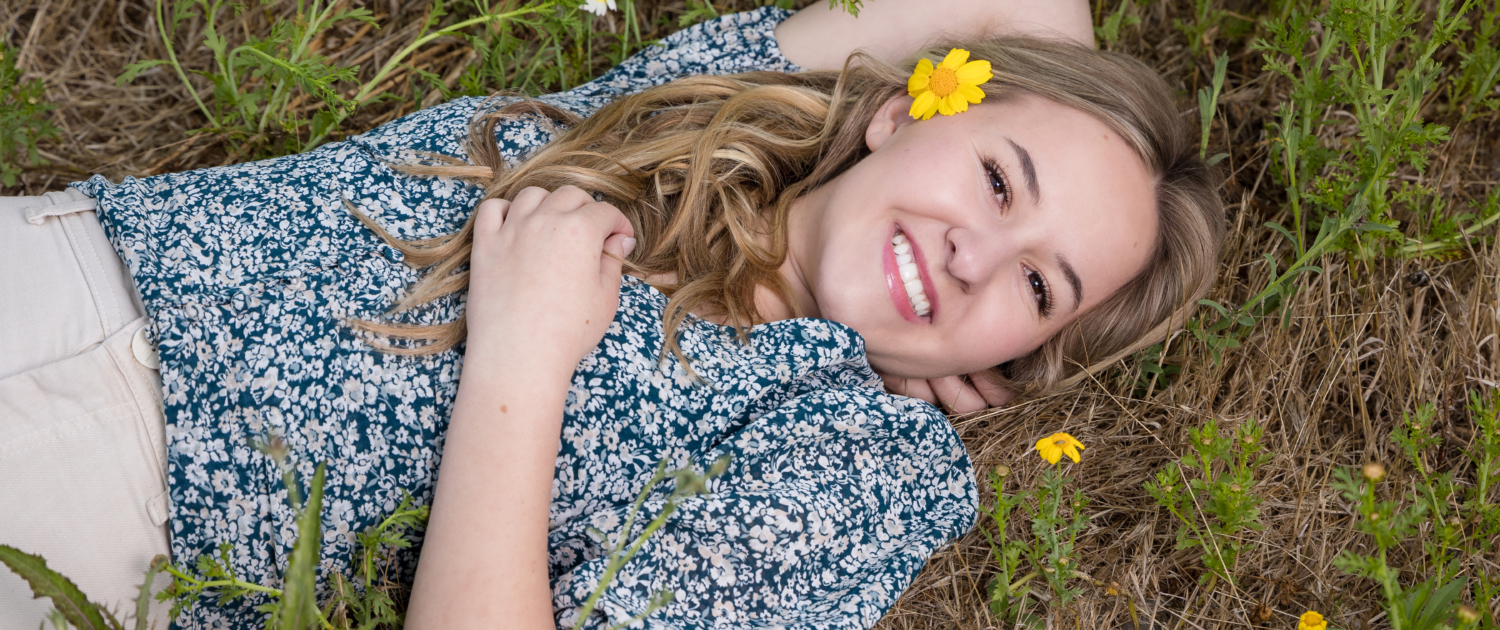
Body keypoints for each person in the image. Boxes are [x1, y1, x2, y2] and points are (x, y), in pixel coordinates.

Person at [0, 1, 1223, 628]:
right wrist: (1096, 116)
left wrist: (521, 361)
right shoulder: (726, 107)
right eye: (999, 181)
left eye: (1037, 287)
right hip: (73, 250)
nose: (977, 253)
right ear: (916, 108)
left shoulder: (859, 465)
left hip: (119, 487)